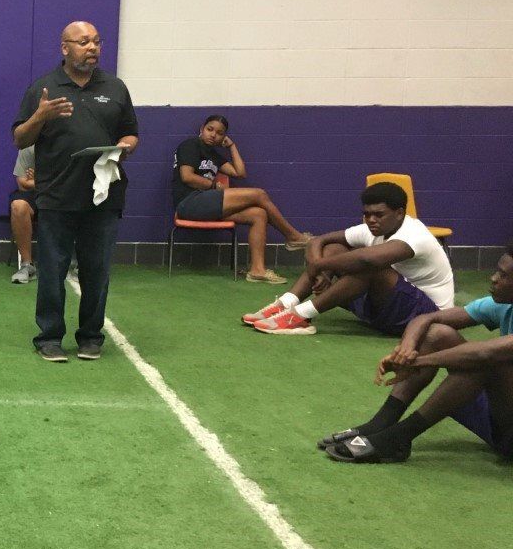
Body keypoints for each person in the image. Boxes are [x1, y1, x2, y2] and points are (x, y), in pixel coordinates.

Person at [12, 21, 138, 362]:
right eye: (83, 42)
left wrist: (126, 145)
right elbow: (20, 139)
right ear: (65, 48)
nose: (93, 47)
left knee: (97, 270)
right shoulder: (44, 88)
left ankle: (91, 337)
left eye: (97, 41)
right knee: (52, 270)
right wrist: (39, 116)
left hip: (104, 195)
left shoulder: (115, 88)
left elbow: (130, 132)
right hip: (57, 196)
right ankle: (50, 337)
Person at [318, 244, 513, 463]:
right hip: (499, 418)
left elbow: (486, 355)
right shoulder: (504, 305)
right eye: (497, 271)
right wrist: (406, 350)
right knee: (438, 334)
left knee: (486, 362)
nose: (493, 278)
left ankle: (398, 438)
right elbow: (426, 319)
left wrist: (418, 361)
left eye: (503, 275)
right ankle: (382, 423)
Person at [245, 182, 454, 336]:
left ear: (399, 213)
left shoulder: (415, 235)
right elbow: (318, 241)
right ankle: (285, 303)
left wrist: (318, 266)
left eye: (379, 214)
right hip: (384, 310)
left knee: (370, 266)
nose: (371, 220)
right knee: (335, 248)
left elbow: (367, 260)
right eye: (367, 214)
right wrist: (320, 270)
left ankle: (299, 316)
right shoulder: (372, 228)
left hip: (427, 318)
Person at [172, 114, 311, 284]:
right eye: (210, 129)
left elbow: (240, 173)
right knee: (259, 194)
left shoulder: (214, 155)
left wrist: (232, 146)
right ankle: (293, 237)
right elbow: (187, 177)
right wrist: (213, 186)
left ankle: (257, 270)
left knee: (259, 214)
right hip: (190, 203)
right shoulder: (190, 145)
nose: (213, 135)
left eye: (219, 133)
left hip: (208, 205)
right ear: (202, 129)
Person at [10, 145, 37, 285]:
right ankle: (27, 265)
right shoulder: (28, 146)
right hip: (35, 196)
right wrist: (46, 180)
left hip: (60, 196)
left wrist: (37, 179)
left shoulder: (68, 143)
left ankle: (78, 262)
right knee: (18, 205)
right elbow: (23, 184)